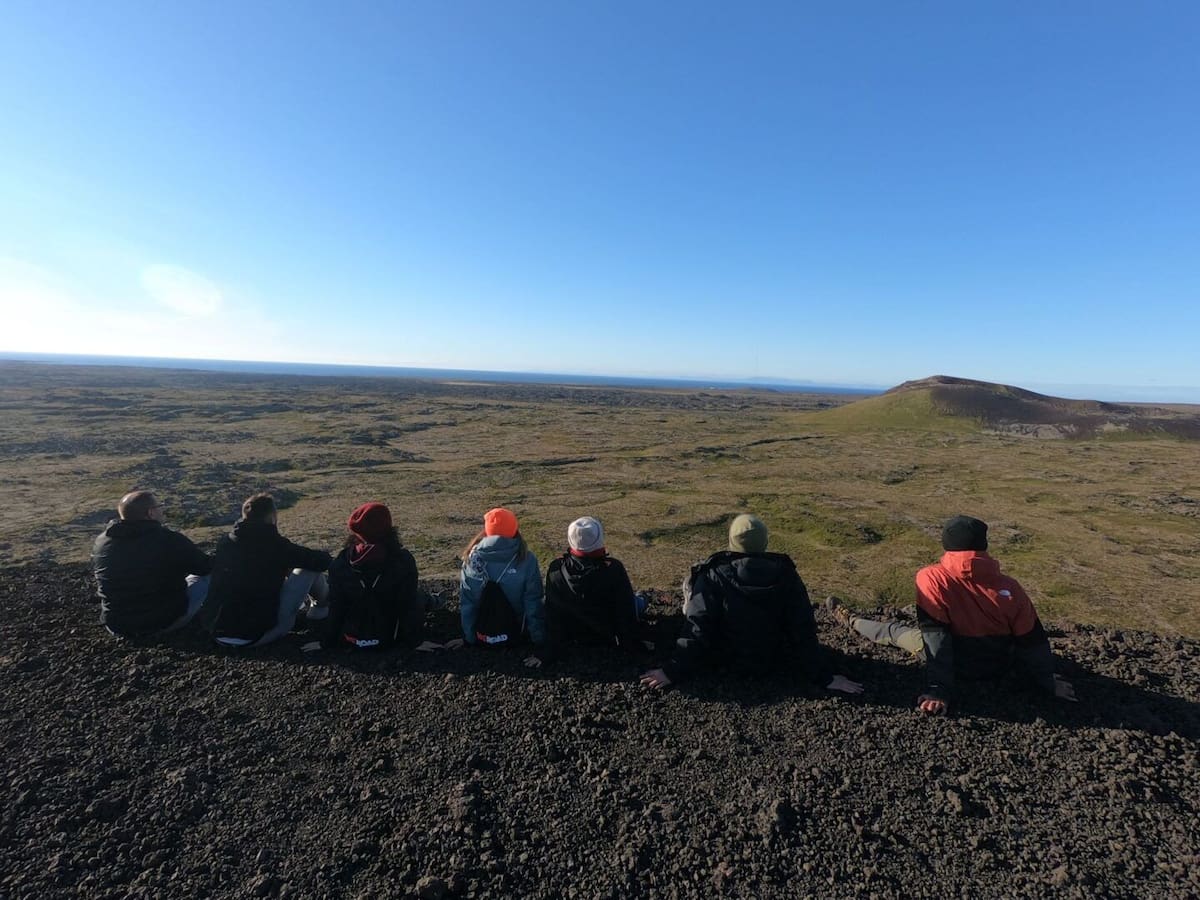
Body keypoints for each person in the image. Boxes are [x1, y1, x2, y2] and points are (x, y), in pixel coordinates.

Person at [828, 515, 1076, 714]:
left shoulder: (931, 578)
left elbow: (937, 640)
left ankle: (851, 619)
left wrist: (939, 690)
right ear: (983, 545)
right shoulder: (1011, 587)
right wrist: (1047, 682)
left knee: (896, 632)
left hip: (958, 665)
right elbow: (1033, 642)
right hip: (999, 666)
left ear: (947, 544)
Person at [640, 514, 863, 694]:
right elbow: (802, 629)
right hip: (774, 660)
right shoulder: (787, 575)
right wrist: (824, 677)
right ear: (764, 542)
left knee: (691, 592)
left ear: (732, 542)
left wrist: (672, 671)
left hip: (722, 660)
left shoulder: (712, 574)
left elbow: (697, 627)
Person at [323, 501, 452, 651]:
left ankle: (432, 601)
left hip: (353, 637)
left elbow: (336, 606)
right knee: (416, 595)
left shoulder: (341, 562)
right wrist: (415, 641)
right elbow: (407, 605)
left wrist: (326, 642)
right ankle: (434, 602)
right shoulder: (402, 559)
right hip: (389, 638)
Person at [209, 493, 333, 647]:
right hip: (258, 635)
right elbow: (320, 561)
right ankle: (320, 610)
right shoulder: (276, 545)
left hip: (217, 632)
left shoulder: (225, 543)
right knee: (308, 569)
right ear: (272, 517)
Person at [92, 490, 213, 638]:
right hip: (161, 622)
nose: (162, 510)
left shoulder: (102, 541)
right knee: (208, 577)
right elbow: (206, 567)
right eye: (159, 506)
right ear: (150, 513)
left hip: (116, 624)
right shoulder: (169, 540)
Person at [543, 516, 644, 659]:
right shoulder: (613, 568)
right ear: (599, 540)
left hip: (573, 633)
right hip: (607, 633)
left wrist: (549, 649)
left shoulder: (556, 568)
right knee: (637, 602)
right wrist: (631, 645)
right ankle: (643, 599)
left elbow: (552, 610)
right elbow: (625, 608)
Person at [459, 507, 546, 667]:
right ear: (514, 530)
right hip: (518, 633)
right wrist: (538, 639)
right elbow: (532, 602)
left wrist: (470, 638)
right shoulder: (526, 559)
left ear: (487, 530)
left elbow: (468, 602)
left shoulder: (471, 559)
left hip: (481, 633)